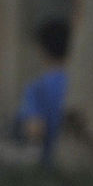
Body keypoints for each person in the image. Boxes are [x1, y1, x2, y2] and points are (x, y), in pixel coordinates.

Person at [16, 18, 69, 167]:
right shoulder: (82, 84)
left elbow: (34, 129)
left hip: (53, 165)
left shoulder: (38, 88)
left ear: (42, 50)